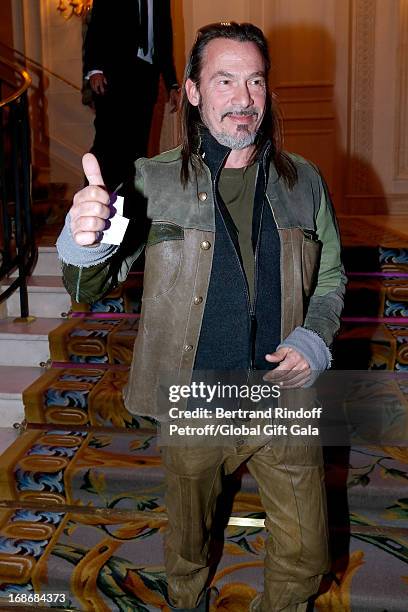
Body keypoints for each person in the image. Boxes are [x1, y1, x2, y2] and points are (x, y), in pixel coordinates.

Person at [57, 22, 346, 612]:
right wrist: (84, 240)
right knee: (188, 548)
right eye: (225, 80)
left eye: (256, 81)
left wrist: (315, 339)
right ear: (191, 91)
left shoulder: (305, 182)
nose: (244, 99)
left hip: (279, 398)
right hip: (194, 403)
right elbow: (89, 288)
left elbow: (332, 279)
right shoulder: (150, 181)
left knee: (307, 556)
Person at [84, 0, 179, 190]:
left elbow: (164, 37)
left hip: (146, 77)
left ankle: (128, 212)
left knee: (137, 153)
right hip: (114, 77)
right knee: (108, 147)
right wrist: (95, 69)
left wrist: (172, 83)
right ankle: (92, 206)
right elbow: (96, 26)